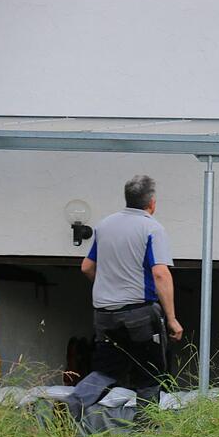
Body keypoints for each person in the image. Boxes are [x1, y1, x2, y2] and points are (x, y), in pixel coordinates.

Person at [67, 175, 182, 419]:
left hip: (105, 315)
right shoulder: (152, 228)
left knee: (106, 370)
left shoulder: (104, 225)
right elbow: (160, 274)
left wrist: (109, 288)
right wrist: (171, 318)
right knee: (150, 374)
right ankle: (145, 432)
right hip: (139, 313)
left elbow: (86, 267)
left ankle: (73, 405)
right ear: (152, 203)